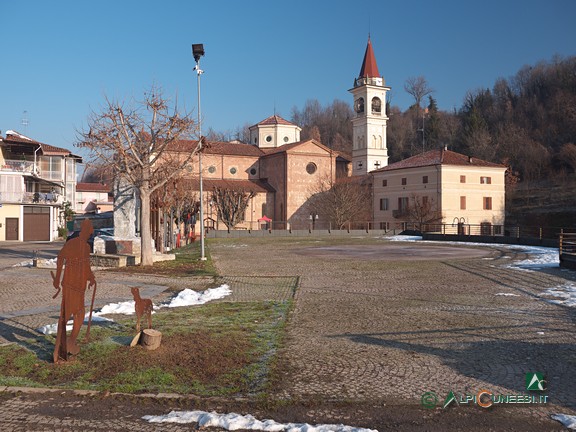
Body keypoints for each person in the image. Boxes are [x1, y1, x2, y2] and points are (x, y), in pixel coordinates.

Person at [52, 218, 96, 360]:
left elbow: (86, 266)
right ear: (84, 231)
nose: (89, 235)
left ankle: (70, 342)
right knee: (66, 315)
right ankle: (59, 347)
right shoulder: (72, 243)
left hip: (80, 287)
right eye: (89, 233)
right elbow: (60, 258)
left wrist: (91, 277)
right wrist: (57, 278)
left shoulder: (87, 247)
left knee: (79, 314)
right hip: (70, 286)